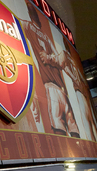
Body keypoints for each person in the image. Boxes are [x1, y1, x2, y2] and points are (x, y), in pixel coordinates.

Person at [21, 2, 80, 138]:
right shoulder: (45, 36)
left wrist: (49, 58)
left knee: (59, 127)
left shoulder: (30, 27)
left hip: (53, 88)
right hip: (60, 89)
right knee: (72, 125)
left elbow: (59, 59)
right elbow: (61, 60)